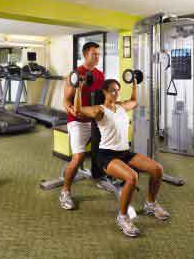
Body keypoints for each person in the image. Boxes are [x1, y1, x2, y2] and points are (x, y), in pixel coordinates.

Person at [73, 78, 170, 237]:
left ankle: (150, 204)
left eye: (118, 90)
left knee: (157, 169)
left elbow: (133, 101)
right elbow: (78, 110)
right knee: (132, 177)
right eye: (112, 90)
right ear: (104, 92)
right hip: (106, 155)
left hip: (124, 153)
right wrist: (78, 87)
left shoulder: (121, 107)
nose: (116, 93)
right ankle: (123, 217)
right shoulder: (100, 110)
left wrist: (133, 84)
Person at [60, 42, 105, 210]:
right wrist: (72, 109)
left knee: (103, 152)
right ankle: (65, 191)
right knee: (78, 158)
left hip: (94, 121)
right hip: (77, 121)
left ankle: (99, 177)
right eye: (94, 54)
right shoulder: (75, 74)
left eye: (99, 54)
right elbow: (65, 100)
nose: (97, 57)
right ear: (85, 55)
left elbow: (102, 97)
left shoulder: (100, 74)